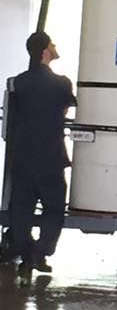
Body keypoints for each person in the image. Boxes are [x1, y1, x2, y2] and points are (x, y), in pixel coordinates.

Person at [3, 31, 76, 274]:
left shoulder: (18, 83)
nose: (55, 47)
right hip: (51, 157)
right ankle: (41, 252)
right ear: (45, 50)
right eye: (52, 44)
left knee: (21, 208)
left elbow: (13, 116)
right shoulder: (62, 83)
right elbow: (65, 111)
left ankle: (24, 250)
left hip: (22, 156)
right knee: (54, 208)